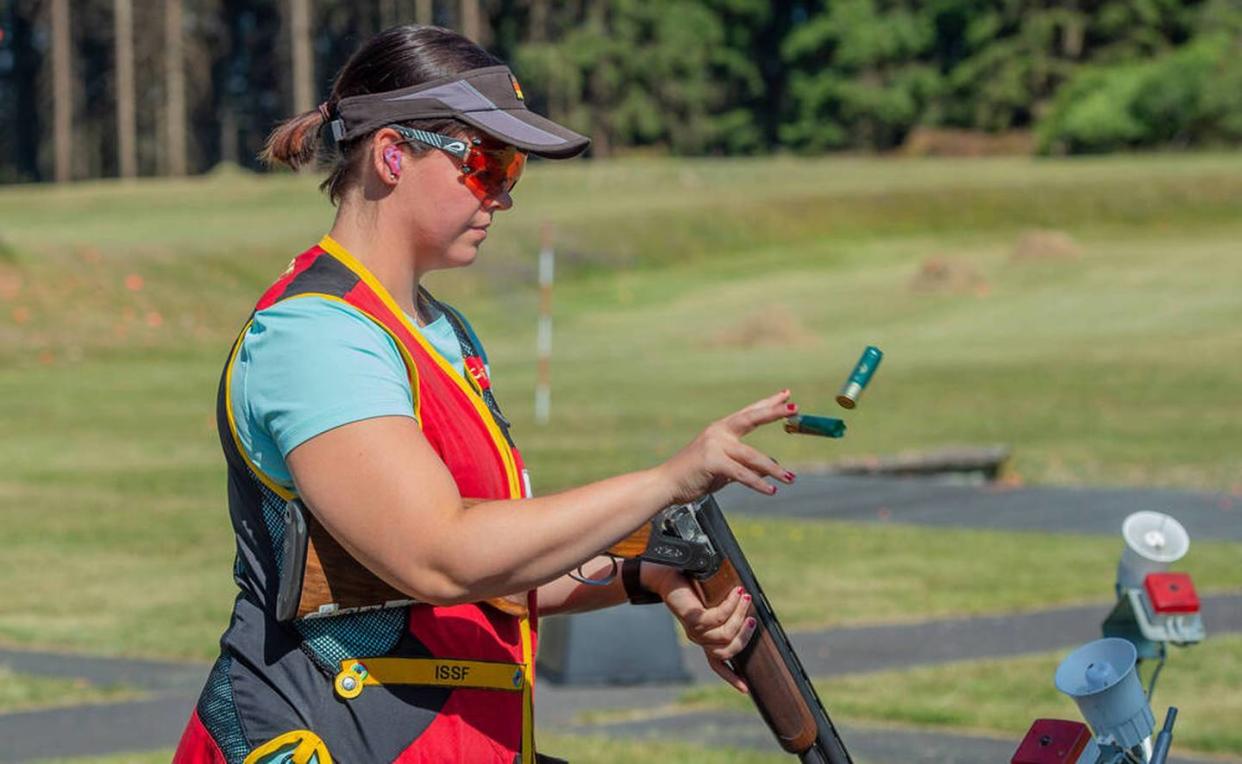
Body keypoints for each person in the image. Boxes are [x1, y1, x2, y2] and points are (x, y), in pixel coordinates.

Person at [173, 24, 798, 764]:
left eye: (514, 172)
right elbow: (442, 556)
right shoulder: (318, 336)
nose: (503, 196)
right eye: (486, 164)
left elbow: (496, 563)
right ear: (392, 154)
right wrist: (666, 481)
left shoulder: (444, 333)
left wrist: (648, 573)